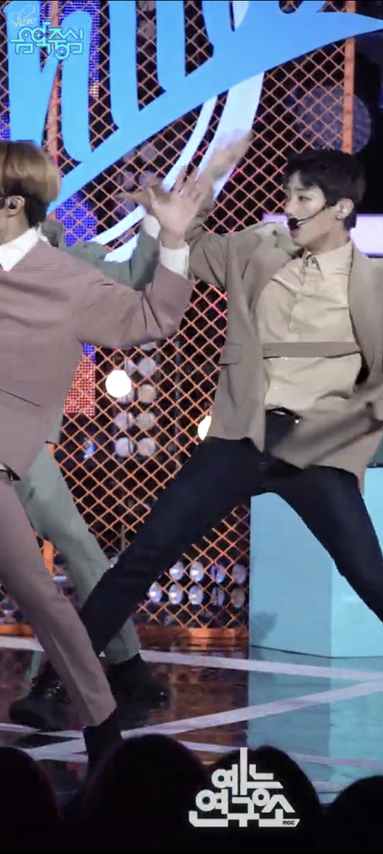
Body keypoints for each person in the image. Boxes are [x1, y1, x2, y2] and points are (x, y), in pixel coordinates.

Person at [15, 139, 383, 740]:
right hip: (243, 435)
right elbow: (185, 248)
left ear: (341, 208)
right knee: (143, 557)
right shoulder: (256, 251)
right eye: (287, 196)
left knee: (370, 575)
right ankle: (56, 686)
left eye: (304, 199)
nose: (290, 209)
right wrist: (196, 196)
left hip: (317, 446)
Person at [0, 138, 210, 763]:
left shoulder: (67, 279)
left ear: (13, 203)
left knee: (42, 597)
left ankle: (103, 729)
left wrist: (172, 240)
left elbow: (153, 317)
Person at [10, 216, 166, 731]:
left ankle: (96, 675)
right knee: (52, 564)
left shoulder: (69, 259)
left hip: (21, 438)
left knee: (72, 548)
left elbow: (136, 280)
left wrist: (156, 225)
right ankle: (122, 666)